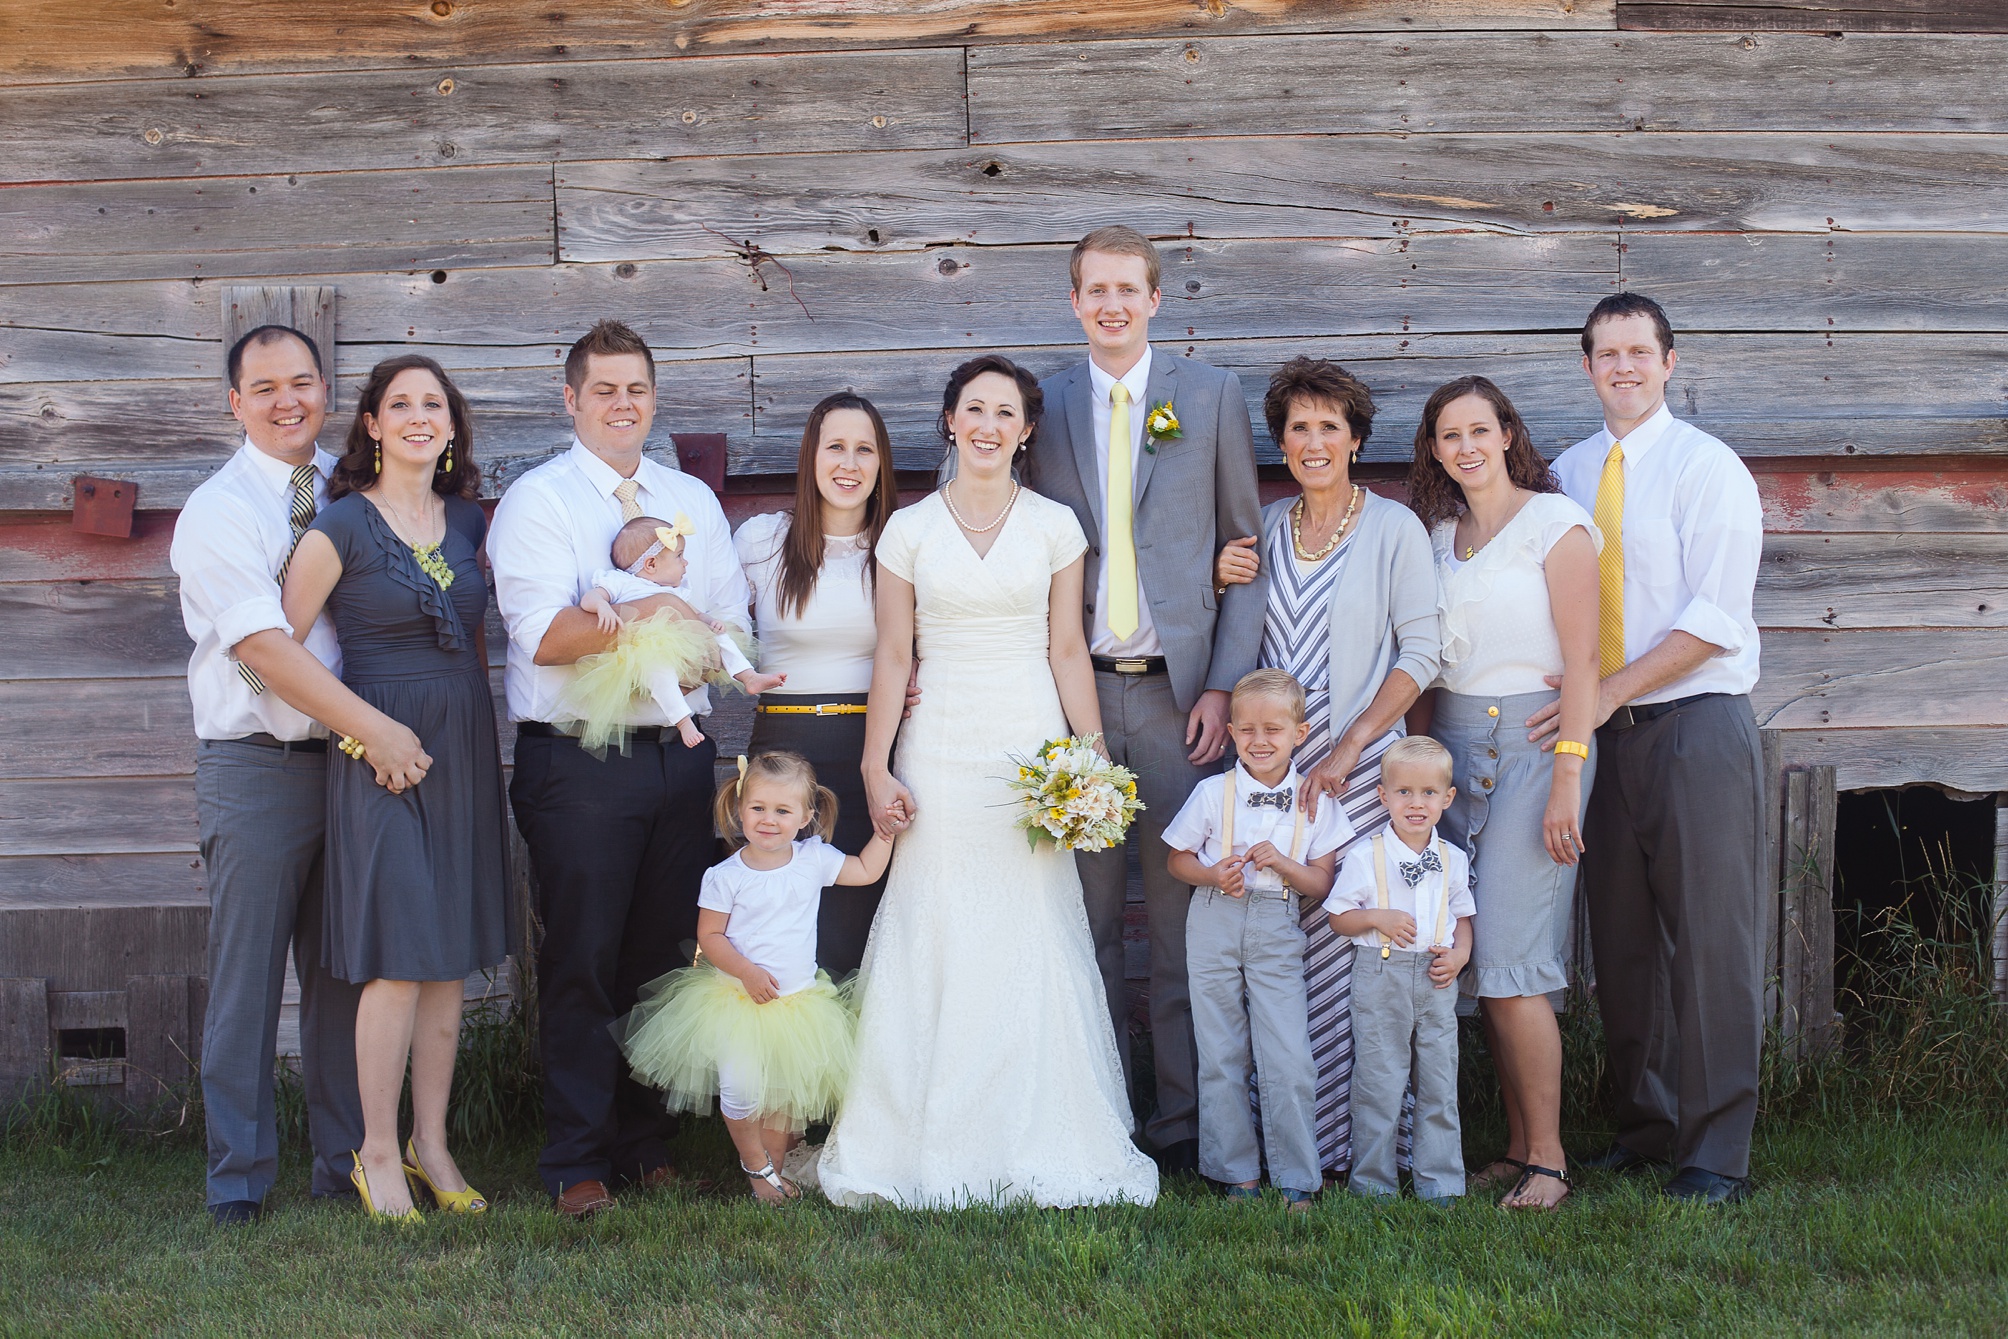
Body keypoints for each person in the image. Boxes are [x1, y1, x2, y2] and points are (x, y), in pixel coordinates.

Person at [816, 355, 1160, 1208]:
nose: (989, 425)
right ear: (949, 420)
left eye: (1006, 412)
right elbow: (896, 654)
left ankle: (1040, 1130)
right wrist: (874, 760)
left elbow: (1067, 649)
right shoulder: (908, 530)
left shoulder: (1054, 525)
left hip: (1029, 747)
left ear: (1026, 428)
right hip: (938, 746)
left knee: (1032, 930)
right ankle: (911, 1138)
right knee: (934, 922)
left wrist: (1093, 762)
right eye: (975, 408)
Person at [489, 319, 751, 1218]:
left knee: (660, 955)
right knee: (584, 955)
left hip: (679, 759)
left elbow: (725, 628)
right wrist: (665, 617)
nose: (622, 404)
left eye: (636, 388)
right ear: (571, 398)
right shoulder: (540, 501)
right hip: (578, 763)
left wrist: (682, 630)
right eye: (603, 389)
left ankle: (645, 1141)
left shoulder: (692, 502)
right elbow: (551, 637)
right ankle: (574, 1155)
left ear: (654, 395)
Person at [1026, 226, 1266, 1174]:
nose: (1113, 305)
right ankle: (1088, 1119)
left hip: (1178, 704)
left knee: (1176, 926)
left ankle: (1183, 1128)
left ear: (1156, 299)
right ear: (1075, 301)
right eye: (1096, 290)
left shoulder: (1208, 396)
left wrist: (1220, 686)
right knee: (1080, 924)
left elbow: (1242, 559)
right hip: (1073, 701)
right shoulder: (1042, 405)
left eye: (1129, 289)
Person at [1535, 293, 1767, 1206]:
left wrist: (1601, 697)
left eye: (1640, 352)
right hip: (1604, 744)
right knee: (1622, 943)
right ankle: (1647, 1125)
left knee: (1712, 942)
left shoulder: (1709, 469)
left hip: (1695, 726)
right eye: (1606, 354)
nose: (1623, 367)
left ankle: (1716, 1154)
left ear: (1671, 362)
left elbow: (1716, 619)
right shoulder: (1566, 472)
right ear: (1587, 368)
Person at [276, 354, 512, 1218]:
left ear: (452, 425)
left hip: (462, 743)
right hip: (376, 749)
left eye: (435, 404)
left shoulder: (469, 522)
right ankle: (374, 1148)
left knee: (447, 960)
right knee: (400, 957)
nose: (420, 415)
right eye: (400, 403)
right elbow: (277, 653)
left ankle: (433, 1143)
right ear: (371, 424)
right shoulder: (337, 526)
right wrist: (358, 733)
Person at [1215, 357, 1442, 1181]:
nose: (1313, 442)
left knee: (1359, 962)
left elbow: (1423, 651)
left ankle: (1377, 1146)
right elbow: (1231, 628)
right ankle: (1294, 1145)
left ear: (1354, 439)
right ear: (1281, 440)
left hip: (1360, 773)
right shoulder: (1267, 527)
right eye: (1298, 428)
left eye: (1329, 427)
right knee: (1282, 960)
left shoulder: (1394, 529)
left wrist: (1348, 747)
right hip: (1274, 778)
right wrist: (1214, 578)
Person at [170, 324, 367, 1226]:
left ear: (326, 388)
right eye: (265, 387)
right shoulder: (218, 509)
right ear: (235, 402)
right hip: (255, 766)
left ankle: (345, 1163)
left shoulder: (355, 493)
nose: (288, 400)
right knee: (248, 981)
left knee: (342, 975)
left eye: (303, 381)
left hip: (351, 768)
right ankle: (239, 1181)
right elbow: (262, 649)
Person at [1408, 375, 1601, 1211]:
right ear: (1437, 450)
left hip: (1533, 746)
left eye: (1480, 430)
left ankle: (1551, 1161)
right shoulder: (1436, 535)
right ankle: (1519, 1145)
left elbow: (1585, 661)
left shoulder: (1557, 525)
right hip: (1451, 747)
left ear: (1509, 434)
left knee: (1517, 958)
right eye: (1450, 435)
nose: (1467, 447)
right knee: (1478, 948)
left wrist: (1567, 775)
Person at [621, 752, 892, 1204]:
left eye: (783, 811)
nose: (768, 820)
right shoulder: (725, 875)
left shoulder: (813, 860)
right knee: (742, 1092)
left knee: (783, 1096)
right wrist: (745, 971)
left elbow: (865, 871)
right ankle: (754, 1165)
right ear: (739, 808)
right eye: (758, 808)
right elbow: (709, 935)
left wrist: (885, 834)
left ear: (807, 816)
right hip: (738, 1002)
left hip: (799, 1004)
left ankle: (772, 1175)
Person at [1161, 670, 1351, 1210]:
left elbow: (1322, 882)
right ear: (1233, 734)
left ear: (1300, 732)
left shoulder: (1313, 801)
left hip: (1276, 922)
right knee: (1221, 1050)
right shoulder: (1211, 793)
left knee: (1288, 1053)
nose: (1259, 740)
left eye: (1273, 729)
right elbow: (1177, 859)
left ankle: (1297, 1178)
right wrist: (1213, 873)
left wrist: (1286, 865)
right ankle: (1235, 1174)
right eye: (1246, 730)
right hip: (1214, 918)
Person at [734, 394, 901, 975]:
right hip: (782, 753)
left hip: (872, 751)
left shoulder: (901, 547)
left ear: (882, 464)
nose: (849, 464)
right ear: (810, 457)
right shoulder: (762, 541)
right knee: (782, 924)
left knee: (857, 918)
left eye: (864, 450)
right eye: (835, 447)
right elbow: (721, 626)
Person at [1323, 736, 1474, 1203]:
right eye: (1404, 792)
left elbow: (1463, 919)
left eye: (1429, 793)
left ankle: (1441, 1182)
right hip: (1381, 974)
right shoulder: (1366, 856)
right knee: (1380, 1081)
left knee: (1438, 1080)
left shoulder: (1453, 859)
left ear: (1447, 799)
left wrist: (1460, 956)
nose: (1416, 803)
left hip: (1435, 979)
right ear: (1383, 796)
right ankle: (1372, 1185)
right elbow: (1337, 917)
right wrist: (1376, 918)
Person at [561, 514, 781, 753]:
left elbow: (694, 613)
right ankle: (683, 721)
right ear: (651, 564)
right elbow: (591, 598)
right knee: (659, 673)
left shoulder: (675, 591)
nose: (685, 563)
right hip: (642, 648)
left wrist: (709, 621)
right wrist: (602, 607)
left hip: (683, 644)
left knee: (720, 636)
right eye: (679, 557)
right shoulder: (621, 582)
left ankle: (748, 676)